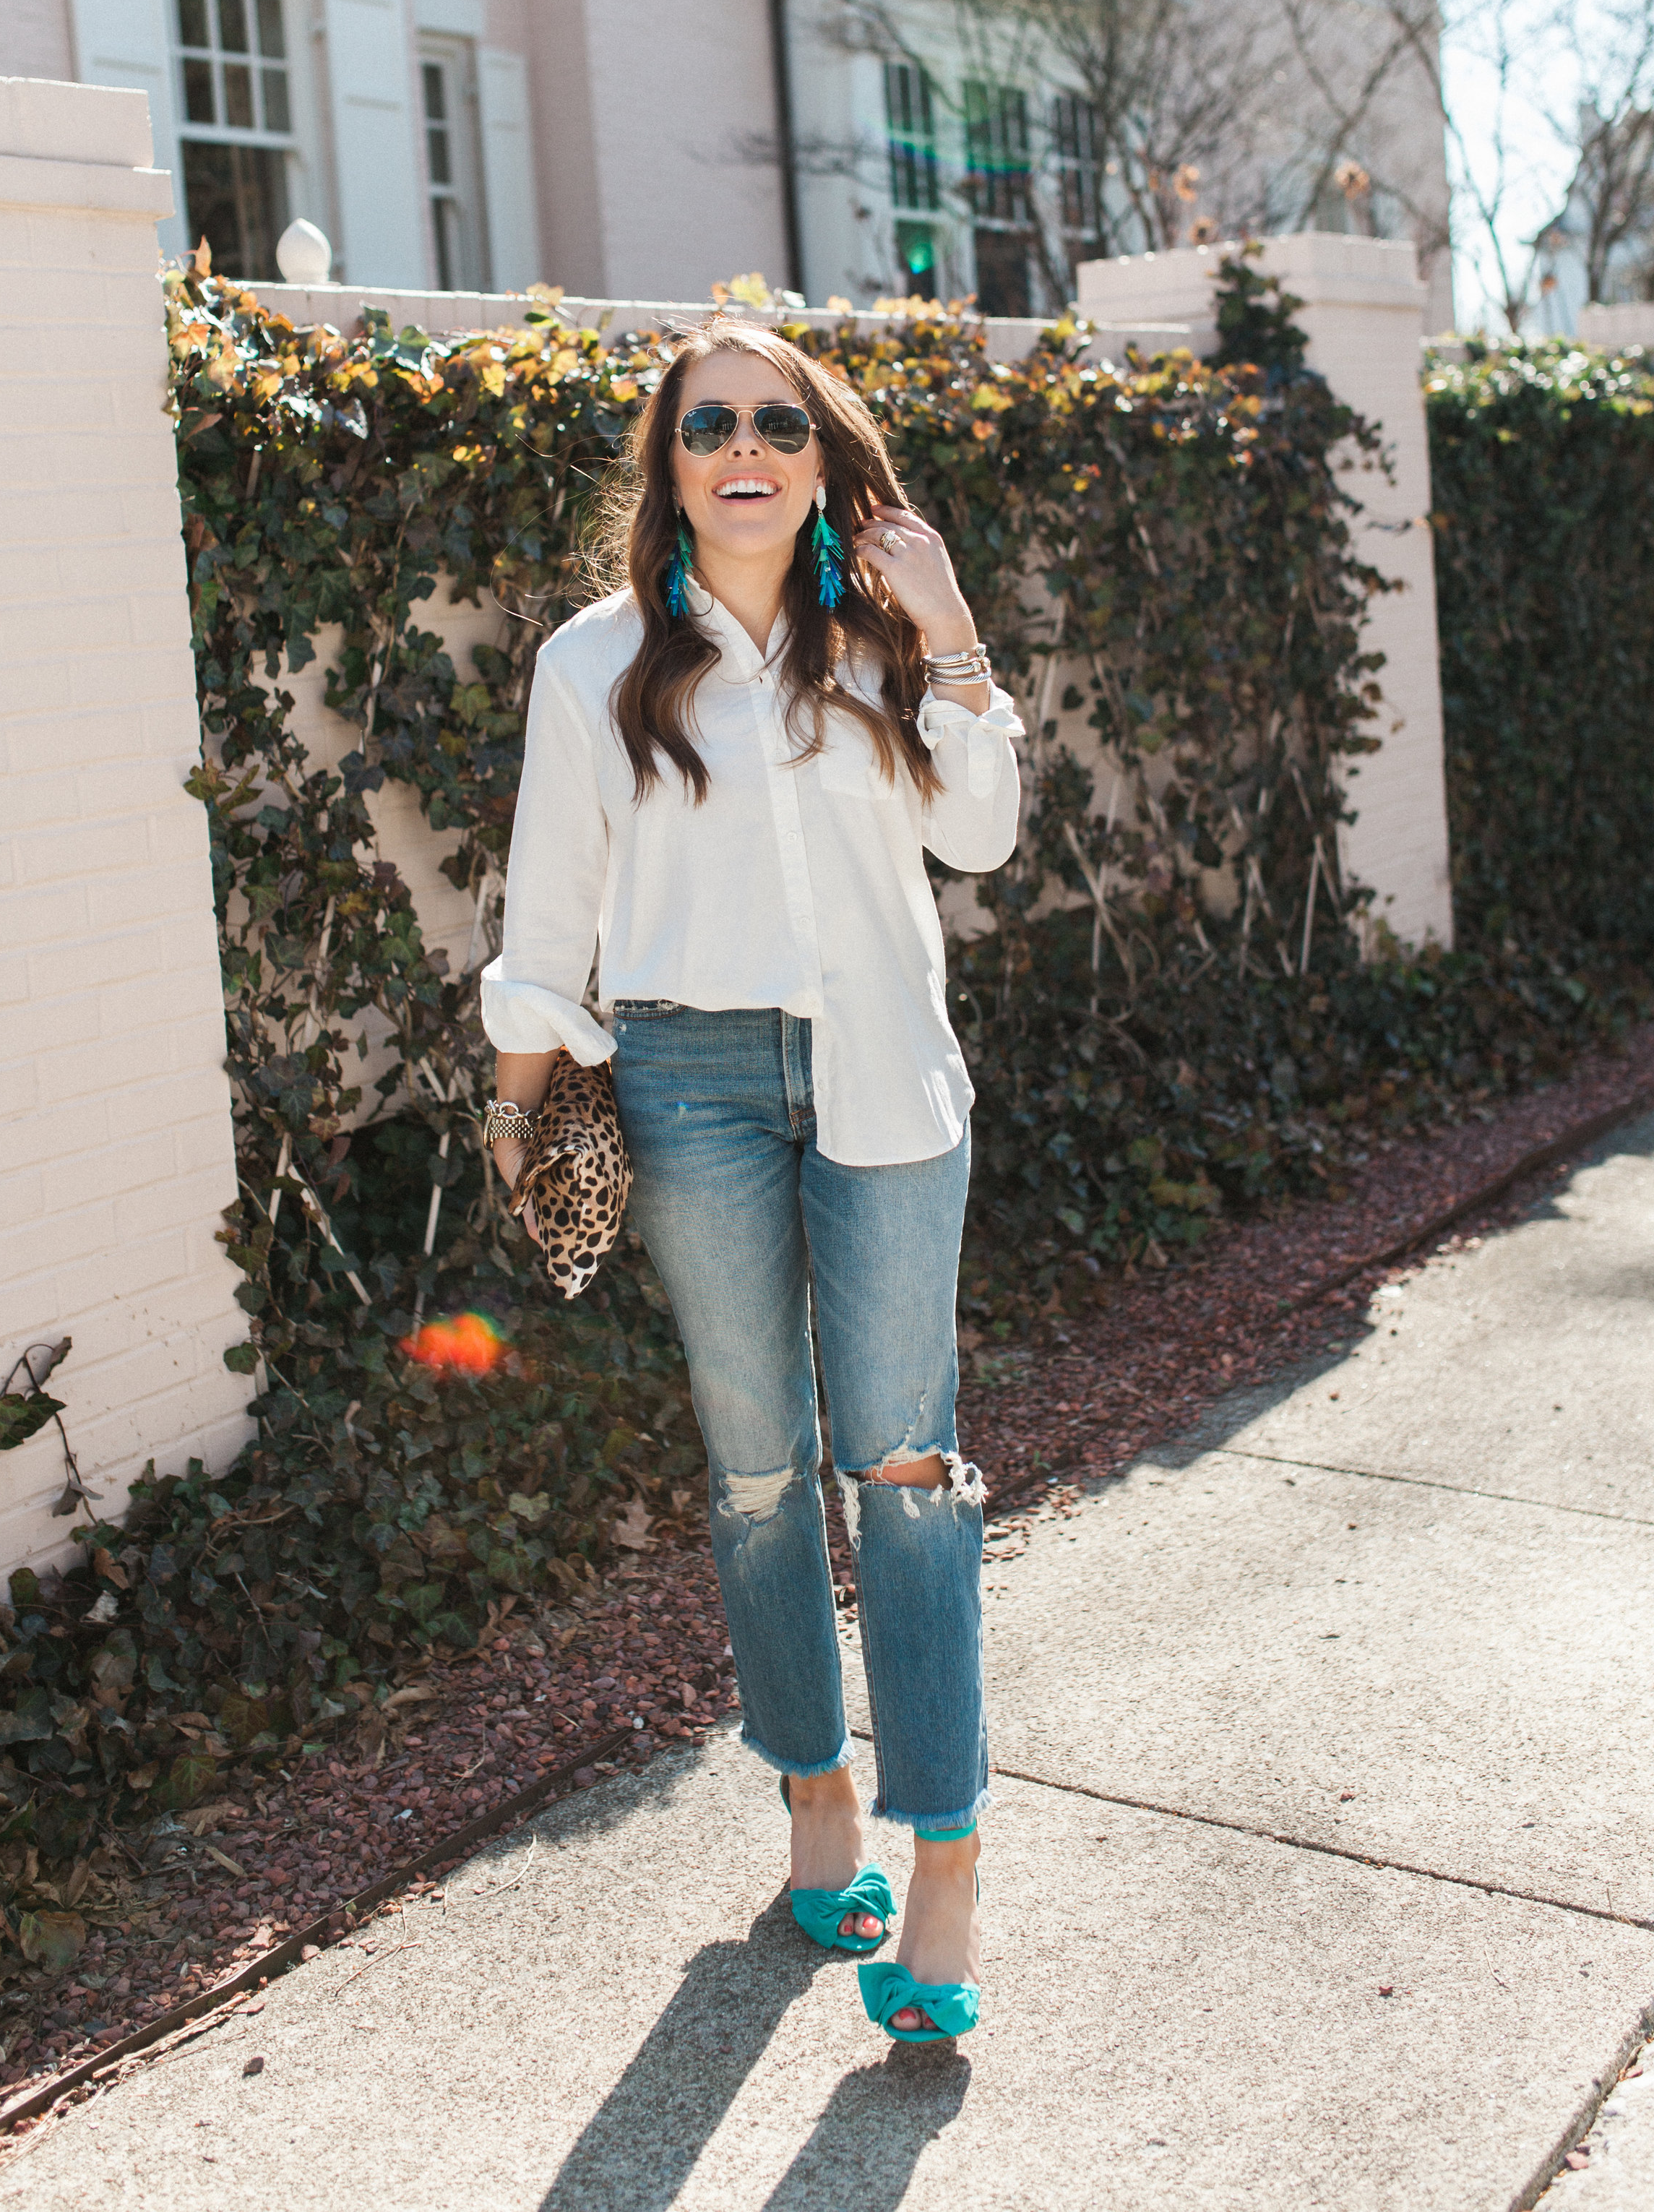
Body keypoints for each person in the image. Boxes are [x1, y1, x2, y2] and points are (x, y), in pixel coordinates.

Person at [479, 316, 1021, 2043]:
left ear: (818, 458)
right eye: (704, 418)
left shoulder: (884, 642)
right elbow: (548, 901)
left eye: (774, 420)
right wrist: (515, 1101)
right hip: (689, 1081)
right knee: (758, 1469)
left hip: (882, 1071)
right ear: (669, 459)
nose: (740, 442)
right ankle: (813, 1794)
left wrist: (950, 639)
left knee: (907, 1464)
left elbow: (982, 836)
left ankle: (945, 1850)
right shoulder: (592, 662)